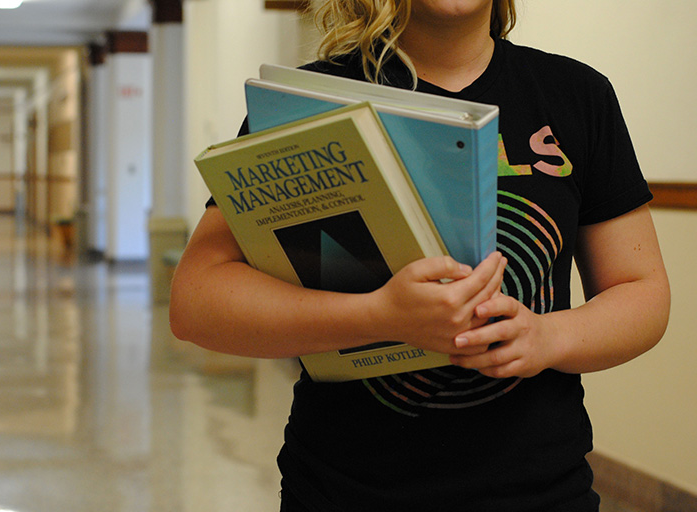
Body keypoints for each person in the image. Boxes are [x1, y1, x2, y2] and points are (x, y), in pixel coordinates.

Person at [169, 0, 671, 510]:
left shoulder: (576, 95)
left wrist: (546, 337)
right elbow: (197, 301)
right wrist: (380, 315)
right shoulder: (305, 102)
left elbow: (642, 293)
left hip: (540, 492)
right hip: (343, 491)